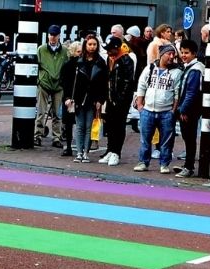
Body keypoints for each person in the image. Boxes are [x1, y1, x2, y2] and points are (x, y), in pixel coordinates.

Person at [134, 43, 179, 172]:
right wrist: (140, 105)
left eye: (173, 54)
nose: (171, 57)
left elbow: (177, 92)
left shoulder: (176, 72)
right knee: (145, 139)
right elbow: (141, 86)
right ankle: (143, 162)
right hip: (148, 110)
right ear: (161, 55)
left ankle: (164, 164)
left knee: (166, 140)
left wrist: (173, 110)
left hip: (166, 111)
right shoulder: (149, 68)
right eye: (168, 54)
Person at [65, 34, 107, 163]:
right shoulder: (78, 62)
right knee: (79, 126)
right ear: (85, 45)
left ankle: (85, 152)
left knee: (89, 126)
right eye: (90, 44)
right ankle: (79, 152)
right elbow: (69, 81)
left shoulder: (100, 62)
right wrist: (68, 97)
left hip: (93, 99)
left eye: (94, 44)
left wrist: (100, 100)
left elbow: (104, 84)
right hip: (78, 98)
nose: (92, 47)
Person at [100, 36, 135, 166]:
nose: (108, 52)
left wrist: (120, 98)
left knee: (119, 125)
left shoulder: (126, 60)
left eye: (110, 49)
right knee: (110, 124)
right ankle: (110, 149)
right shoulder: (110, 59)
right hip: (110, 98)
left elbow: (128, 81)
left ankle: (116, 152)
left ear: (116, 48)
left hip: (121, 100)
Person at [174, 39, 204, 177]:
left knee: (190, 139)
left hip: (190, 110)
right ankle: (187, 165)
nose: (183, 55)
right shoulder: (191, 67)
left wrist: (183, 109)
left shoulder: (195, 69)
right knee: (188, 139)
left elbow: (191, 92)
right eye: (182, 52)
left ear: (194, 54)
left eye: (186, 53)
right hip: (189, 109)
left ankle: (189, 167)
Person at [36, 24, 66, 147]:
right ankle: (37, 135)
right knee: (41, 111)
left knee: (57, 113)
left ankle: (56, 138)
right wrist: (39, 80)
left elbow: (66, 67)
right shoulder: (41, 49)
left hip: (58, 85)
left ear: (59, 36)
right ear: (48, 35)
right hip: (44, 83)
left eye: (55, 35)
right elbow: (37, 65)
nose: (52, 38)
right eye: (51, 35)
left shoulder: (64, 51)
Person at [57, 40, 81, 157]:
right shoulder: (67, 66)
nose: (80, 54)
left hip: (79, 97)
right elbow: (63, 81)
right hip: (69, 97)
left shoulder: (83, 64)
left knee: (80, 122)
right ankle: (68, 146)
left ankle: (80, 147)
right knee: (68, 123)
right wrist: (67, 97)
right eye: (78, 52)